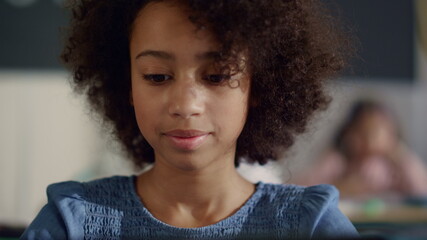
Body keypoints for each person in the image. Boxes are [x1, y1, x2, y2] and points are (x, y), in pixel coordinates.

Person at [21, 0, 358, 239]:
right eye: (156, 77)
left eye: (215, 76)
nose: (186, 104)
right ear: (127, 85)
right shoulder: (71, 223)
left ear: (259, 84)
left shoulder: (308, 225)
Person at [293, 100, 427, 198]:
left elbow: (421, 191)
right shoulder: (339, 161)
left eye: (376, 132)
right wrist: (340, 187)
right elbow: (301, 188)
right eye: (362, 132)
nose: (368, 140)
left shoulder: (394, 166)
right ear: (348, 134)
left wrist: (400, 154)